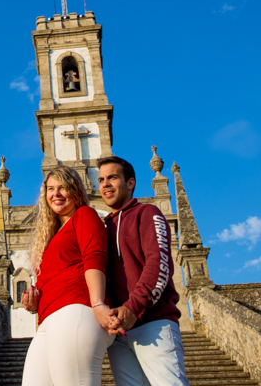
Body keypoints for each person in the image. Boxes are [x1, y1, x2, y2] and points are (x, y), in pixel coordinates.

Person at [20, 166, 118, 386]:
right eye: (51, 188)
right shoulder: (52, 236)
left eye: (63, 187)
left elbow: (95, 257)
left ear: (75, 191)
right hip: (48, 319)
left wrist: (98, 303)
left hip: (76, 310)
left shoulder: (84, 214)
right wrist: (34, 301)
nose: (56, 194)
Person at [98, 156, 189, 386]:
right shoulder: (104, 227)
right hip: (119, 333)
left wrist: (133, 307)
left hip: (153, 324)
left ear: (130, 183)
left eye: (112, 177)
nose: (105, 184)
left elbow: (159, 265)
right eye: (101, 180)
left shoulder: (148, 213)